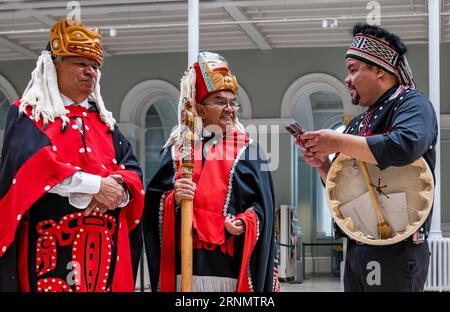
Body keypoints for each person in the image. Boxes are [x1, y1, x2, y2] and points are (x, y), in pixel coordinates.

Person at [0, 18, 144, 292]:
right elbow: (34, 166)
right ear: (53, 66)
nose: (91, 72)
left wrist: (120, 187)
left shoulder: (105, 123)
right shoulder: (29, 114)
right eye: (80, 63)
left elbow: (133, 171)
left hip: (106, 256)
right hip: (49, 251)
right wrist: (96, 186)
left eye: (95, 66)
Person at [298, 24, 437, 291]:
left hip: (397, 250)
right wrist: (323, 165)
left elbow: (406, 144)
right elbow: (346, 188)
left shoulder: (411, 103)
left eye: (353, 70)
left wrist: (337, 140)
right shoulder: (359, 123)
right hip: (357, 248)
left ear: (379, 70)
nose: (347, 79)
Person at [143, 51, 277, 292]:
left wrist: (246, 222)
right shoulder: (178, 151)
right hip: (184, 269)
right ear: (200, 109)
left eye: (232, 102)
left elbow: (263, 208)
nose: (229, 109)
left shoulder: (250, 151)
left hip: (231, 270)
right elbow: (153, 205)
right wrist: (173, 198)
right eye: (220, 102)